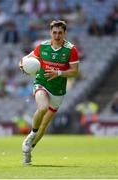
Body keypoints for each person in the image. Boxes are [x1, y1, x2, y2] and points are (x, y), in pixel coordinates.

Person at [19, 20, 79, 165]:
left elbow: (74, 72)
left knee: (44, 125)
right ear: (50, 32)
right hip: (42, 83)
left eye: (60, 32)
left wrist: (58, 73)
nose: (57, 35)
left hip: (58, 91)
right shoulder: (43, 47)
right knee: (42, 107)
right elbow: (28, 58)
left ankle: (28, 150)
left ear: (65, 33)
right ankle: (32, 134)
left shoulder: (71, 50)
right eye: (54, 32)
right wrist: (22, 64)